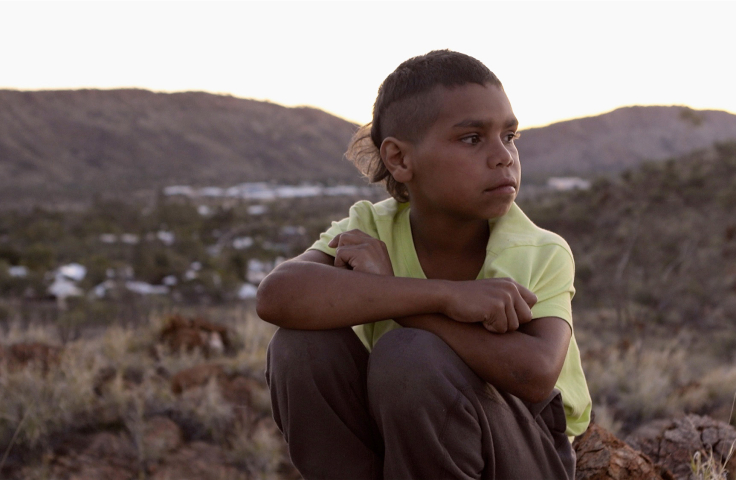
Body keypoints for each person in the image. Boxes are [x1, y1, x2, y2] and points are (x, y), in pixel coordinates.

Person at [256, 50, 592, 480]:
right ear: (399, 159)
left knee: (410, 355)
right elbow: (278, 295)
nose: (503, 156)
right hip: (408, 446)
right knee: (300, 347)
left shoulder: (538, 250)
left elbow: (535, 375)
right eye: (472, 138)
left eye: (509, 136)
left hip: (525, 453)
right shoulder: (371, 227)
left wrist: (401, 301)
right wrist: (449, 296)